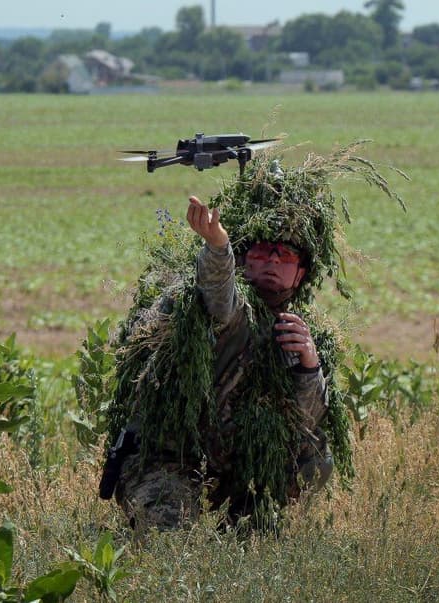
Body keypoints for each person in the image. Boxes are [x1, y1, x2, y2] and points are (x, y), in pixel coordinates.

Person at [106, 195, 334, 531]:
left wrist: (308, 368)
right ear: (243, 261)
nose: (272, 262)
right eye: (260, 252)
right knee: (166, 545)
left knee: (317, 459)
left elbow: (307, 424)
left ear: (300, 274)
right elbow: (219, 292)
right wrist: (217, 245)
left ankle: (249, 522)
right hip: (169, 458)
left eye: (285, 255)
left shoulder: (303, 334)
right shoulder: (226, 312)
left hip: (235, 468)